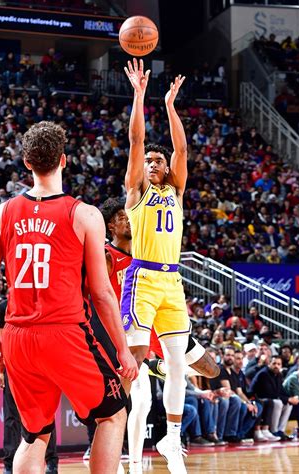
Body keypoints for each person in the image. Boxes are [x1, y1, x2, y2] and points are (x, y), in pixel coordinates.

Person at [0, 121, 138, 474]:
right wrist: (122, 349)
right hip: (65, 333)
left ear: (27, 163)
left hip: (17, 337)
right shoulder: (84, 214)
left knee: (35, 435)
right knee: (112, 415)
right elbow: (103, 293)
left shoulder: (4, 212)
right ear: (64, 160)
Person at [95, 198, 219, 472]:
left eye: (129, 215)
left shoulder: (146, 252)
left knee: (211, 369)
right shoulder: (105, 256)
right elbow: (97, 299)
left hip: (159, 326)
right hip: (127, 333)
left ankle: (159, 366)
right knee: (140, 400)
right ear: (110, 226)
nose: (128, 220)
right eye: (121, 217)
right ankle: (131, 464)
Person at [122, 59, 189, 473]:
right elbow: (134, 140)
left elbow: (181, 149)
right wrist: (140, 94)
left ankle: (172, 437)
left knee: (179, 364)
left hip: (173, 282)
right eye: (149, 161)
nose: (153, 163)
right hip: (142, 278)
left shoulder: (177, 190)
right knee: (135, 366)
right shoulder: (135, 193)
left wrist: (170, 105)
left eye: (158, 161)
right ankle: (119, 431)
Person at [0, 300, 58, 474]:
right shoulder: (3, 307)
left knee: (46, 417)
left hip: (42, 363)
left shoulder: (43, 303)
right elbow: (1, 342)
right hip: (14, 365)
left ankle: (52, 462)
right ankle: (8, 464)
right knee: (11, 417)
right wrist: (0, 372)